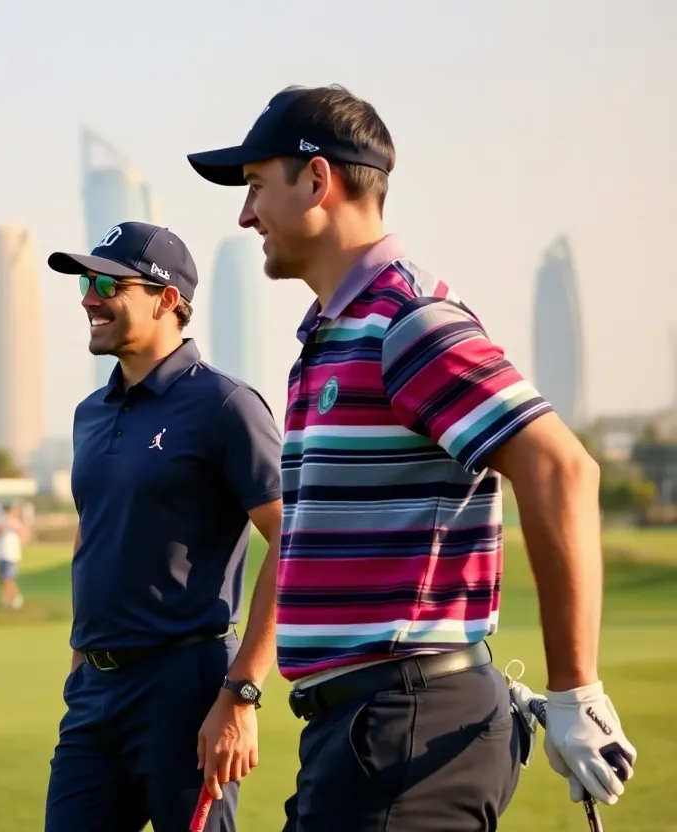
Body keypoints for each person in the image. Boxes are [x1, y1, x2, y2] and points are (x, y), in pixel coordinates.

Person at [186, 84, 638, 830]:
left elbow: (560, 468)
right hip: (367, 729)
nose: (245, 214)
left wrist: (575, 690)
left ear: (318, 181)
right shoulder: (332, 337)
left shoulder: (408, 321)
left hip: (405, 724)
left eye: (257, 187)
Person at [43, 221, 284, 831]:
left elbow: (295, 543)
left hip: (188, 688)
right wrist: (79, 662)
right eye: (84, 282)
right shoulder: (89, 414)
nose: (87, 297)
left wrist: (242, 692)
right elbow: (93, 530)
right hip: (94, 694)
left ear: (166, 298)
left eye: (105, 283)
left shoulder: (226, 406)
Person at [0, 503, 27, 609]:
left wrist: (17, 529)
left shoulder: (16, 523)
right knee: (2, 578)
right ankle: (5, 599)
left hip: (12, 555)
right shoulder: (0, 521)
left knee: (8, 578)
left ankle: (16, 597)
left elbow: (25, 535)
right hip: (1, 554)